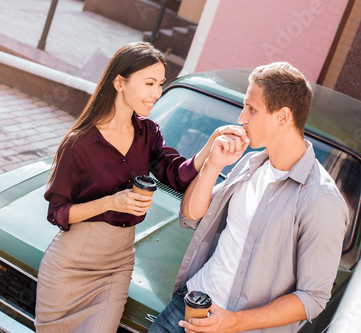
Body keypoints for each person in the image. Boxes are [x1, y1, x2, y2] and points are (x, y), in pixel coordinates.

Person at [34, 42, 244, 333]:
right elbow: (57, 213)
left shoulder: (148, 133)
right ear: (119, 82)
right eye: (148, 83)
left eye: (160, 84)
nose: (156, 93)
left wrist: (212, 143)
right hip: (70, 266)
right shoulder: (80, 143)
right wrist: (111, 202)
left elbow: (178, 176)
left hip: (116, 266)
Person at [149, 62, 349, 333]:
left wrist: (233, 322)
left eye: (252, 109)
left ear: (283, 116)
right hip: (188, 307)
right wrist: (213, 165)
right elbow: (191, 216)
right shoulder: (250, 164)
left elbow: (313, 298)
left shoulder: (321, 200)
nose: (242, 118)